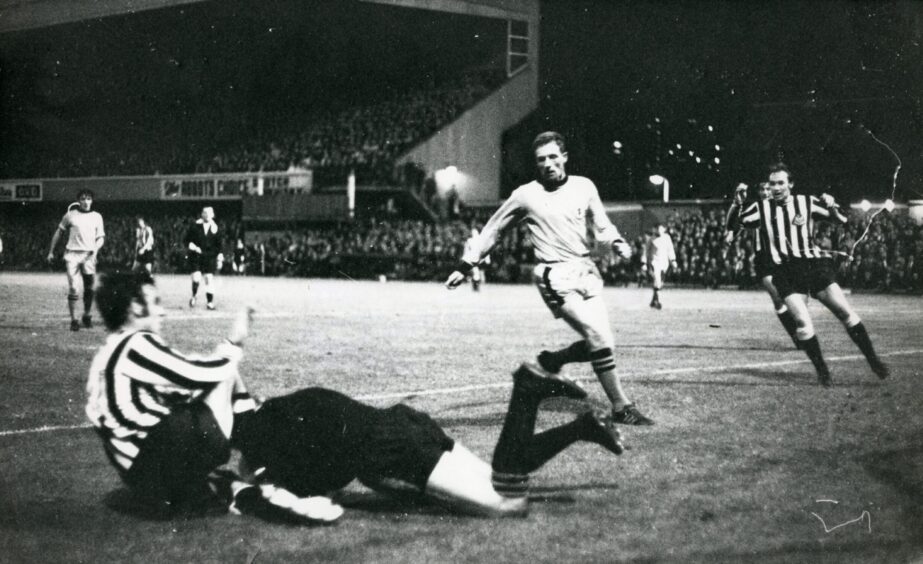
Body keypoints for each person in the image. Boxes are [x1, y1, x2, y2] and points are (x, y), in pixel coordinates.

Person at [231, 362, 624, 518]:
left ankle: (526, 390)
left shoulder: (266, 443)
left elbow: (335, 483)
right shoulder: (292, 405)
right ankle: (582, 427)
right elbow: (365, 473)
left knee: (508, 504)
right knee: (500, 478)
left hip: (392, 445)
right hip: (403, 422)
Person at [446, 131, 653, 426]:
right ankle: (621, 406)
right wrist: (465, 266)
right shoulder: (525, 195)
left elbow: (603, 225)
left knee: (604, 342)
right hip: (554, 275)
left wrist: (617, 243)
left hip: (585, 271)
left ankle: (555, 360)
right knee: (595, 336)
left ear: (565, 157)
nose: (548, 164)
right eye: (541, 159)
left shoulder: (584, 186)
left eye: (553, 157)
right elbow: (493, 230)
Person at [85, 271, 251, 514]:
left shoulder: (107, 352)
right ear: (135, 307)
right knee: (226, 374)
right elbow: (195, 373)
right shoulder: (135, 343)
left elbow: (176, 390)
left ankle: (205, 484)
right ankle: (259, 458)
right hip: (158, 463)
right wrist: (234, 343)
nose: (162, 312)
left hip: (140, 476)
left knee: (208, 387)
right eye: (155, 303)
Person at [729, 163, 889, 386]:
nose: (775, 187)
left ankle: (874, 361)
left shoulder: (806, 202)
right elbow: (733, 225)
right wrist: (737, 203)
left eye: (780, 183)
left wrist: (832, 206)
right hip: (784, 272)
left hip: (814, 266)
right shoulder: (761, 208)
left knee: (845, 312)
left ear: (790, 184)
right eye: (772, 183)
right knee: (803, 323)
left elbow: (841, 221)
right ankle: (822, 371)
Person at [725, 181, 799, 348]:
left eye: (768, 189)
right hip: (764, 260)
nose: (765, 192)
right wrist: (736, 205)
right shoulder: (757, 207)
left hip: (787, 259)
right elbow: (735, 223)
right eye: (762, 189)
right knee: (778, 298)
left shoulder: (787, 205)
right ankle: (796, 335)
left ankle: (800, 331)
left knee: (792, 299)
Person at [47, 189, 105, 331]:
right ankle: (74, 320)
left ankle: (86, 315)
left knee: (89, 287)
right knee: (73, 287)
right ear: (78, 200)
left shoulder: (97, 217)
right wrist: (51, 251)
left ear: (92, 200)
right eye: (83, 199)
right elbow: (58, 233)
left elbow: (100, 238)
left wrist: (95, 251)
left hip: (89, 255)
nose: (86, 201)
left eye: (89, 199)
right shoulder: (70, 215)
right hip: (72, 254)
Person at [185, 206, 222, 310]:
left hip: (209, 257)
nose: (207, 215)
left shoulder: (215, 228)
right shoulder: (195, 226)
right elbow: (187, 240)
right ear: (201, 214)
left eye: (209, 213)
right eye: (204, 212)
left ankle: (210, 303)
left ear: (213, 215)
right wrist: (193, 247)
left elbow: (219, 245)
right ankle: (194, 295)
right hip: (196, 256)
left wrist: (219, 257)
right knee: (196, 278)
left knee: (209, 279)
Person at [642, 224, 677, 309]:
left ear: (664, 229)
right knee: (657, 281)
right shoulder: (651, 239)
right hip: (655, 262)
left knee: (660, 283)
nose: (659, 230)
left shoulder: (667, 238)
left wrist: (673, 260)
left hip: (664, 263)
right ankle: (658, 302)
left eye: (661, 229)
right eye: (657, 229)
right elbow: (646, 251)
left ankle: (653, 301)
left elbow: (670, 249)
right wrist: (644, 263)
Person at [464, 227, 490, 291]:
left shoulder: (481, 240)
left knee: (478, 275)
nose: (473, 233)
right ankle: (475, 288)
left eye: (475, 232)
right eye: (472, 232)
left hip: (480, 259)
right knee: (476, 273)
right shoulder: (469, 240)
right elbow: (466, 250)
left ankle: (476, 288)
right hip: (473, 259)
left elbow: (486, 249)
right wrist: (465, 257)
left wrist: (487, 258)